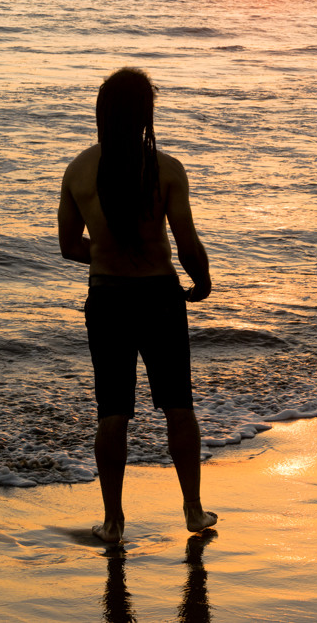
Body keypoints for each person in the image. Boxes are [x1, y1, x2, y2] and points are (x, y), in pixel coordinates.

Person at [58, 67, 217, 542]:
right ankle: (192, 510)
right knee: (178, 405)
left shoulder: (79, 170)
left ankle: (113, 521)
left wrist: (107, 252)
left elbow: (68, 245)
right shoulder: (165, 170)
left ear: (101, 114)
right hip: (159, 298)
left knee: (112, 411)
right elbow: (186, 242)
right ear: (147, 113)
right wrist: (202, 279)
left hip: (106, 298)